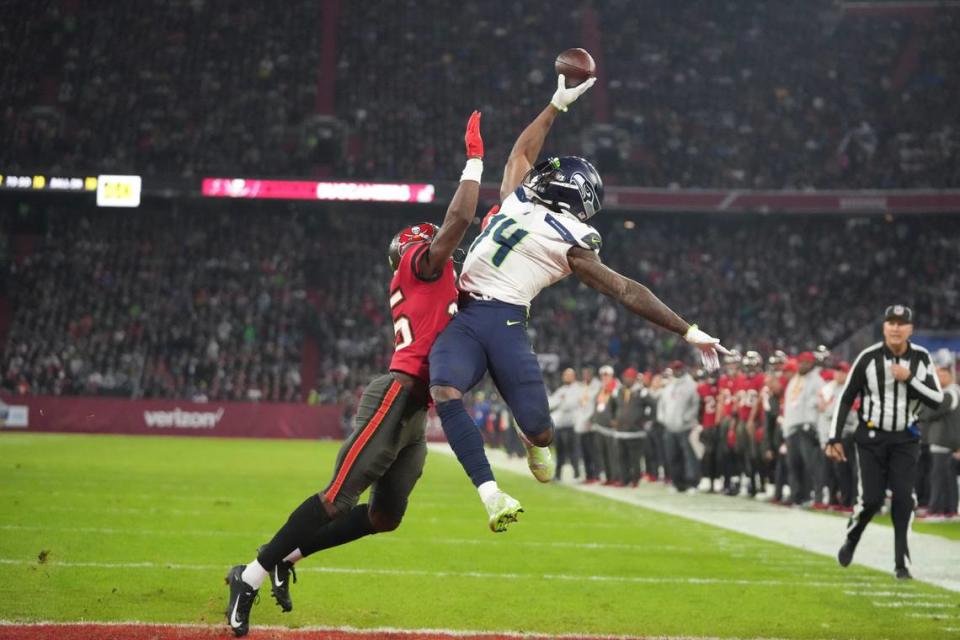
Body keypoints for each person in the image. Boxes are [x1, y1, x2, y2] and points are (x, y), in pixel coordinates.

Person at [222, 113, 486, 636]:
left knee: (384, 516)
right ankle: (248, 576)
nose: (441, 242)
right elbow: (455, 225)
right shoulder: (417, 263)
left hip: (418, 412)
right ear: (412, 249)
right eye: (431, 239)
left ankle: (285, 559)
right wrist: (474, 161)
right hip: (396, 393)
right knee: (336, 497)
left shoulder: (439, 284)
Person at [428, 75, 727, 531]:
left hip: (505, 323)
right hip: (465, 315)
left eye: (553, 174)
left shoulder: (569, 242)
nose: (542, 172)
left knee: (541, 430)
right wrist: (555, 104)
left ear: (565, 190)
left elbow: (625, 290)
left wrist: (687, 329)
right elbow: (521, 153)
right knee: (444, 390)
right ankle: (491, 494)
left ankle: (534, 440)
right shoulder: (519, 197)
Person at [825, 305, 944, 579]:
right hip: (871, 438)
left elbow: (936, 400)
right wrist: (834, 437)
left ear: (910, 329)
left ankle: (901, 563)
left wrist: (910, 378)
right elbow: (846, 397)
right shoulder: (867, 357)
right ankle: (853, 537)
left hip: (905, 438)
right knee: (872, 500)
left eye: (902, 323)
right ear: (884, 327)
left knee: (904, 499)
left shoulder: (922, 357)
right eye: (891, 322)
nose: (895, 327)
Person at [918, 354, 960, 518]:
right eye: (938, 374)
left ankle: (936, 510)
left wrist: (921, 409)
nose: (940, 377)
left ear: (951, 375)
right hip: (942, 441)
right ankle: (948, 510)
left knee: (939, 478)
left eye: (943, 374)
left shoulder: (951, 393)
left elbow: (931, 412)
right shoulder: (948, 392)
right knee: (945, 478)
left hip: (944, 441)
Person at [782, 351, 824, 506]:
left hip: (807, 427)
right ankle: (796, 495)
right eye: (801, 362)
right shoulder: (795, 380)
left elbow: (820, 404)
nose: (803, 365)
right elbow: (789, 406)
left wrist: (814, 425)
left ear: (812, 364)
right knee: (794, 465)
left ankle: (813, 496)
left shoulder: (817, 381)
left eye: (806, 362)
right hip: (792, 428)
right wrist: (786, 429)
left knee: (811, 465)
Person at [660, 361, 701, 493]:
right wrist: (663, 419)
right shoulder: (669, 386)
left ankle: (691, 483)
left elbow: (695, 405)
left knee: (688, 457)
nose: (677, 371)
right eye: (674, 369)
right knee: (673, 457)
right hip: (670, 427)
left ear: (683, 369)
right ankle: (677, 483)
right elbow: (662, 404)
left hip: (686, 428)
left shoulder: (691, 385)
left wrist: (686, 419)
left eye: (678, 369)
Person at [548, 368, 581, 480]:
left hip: (572, 424)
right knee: (559, 451)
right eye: (565, 375)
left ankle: (577, 474)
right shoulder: (561, 389)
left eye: (568, 375)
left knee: (573, 451)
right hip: (560, 425)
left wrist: (560, 402)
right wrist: (560, 401)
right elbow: (551, 402)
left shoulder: (577, 388)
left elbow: (570, 404)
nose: (566, 377)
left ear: (573, 377)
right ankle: (558, 474)